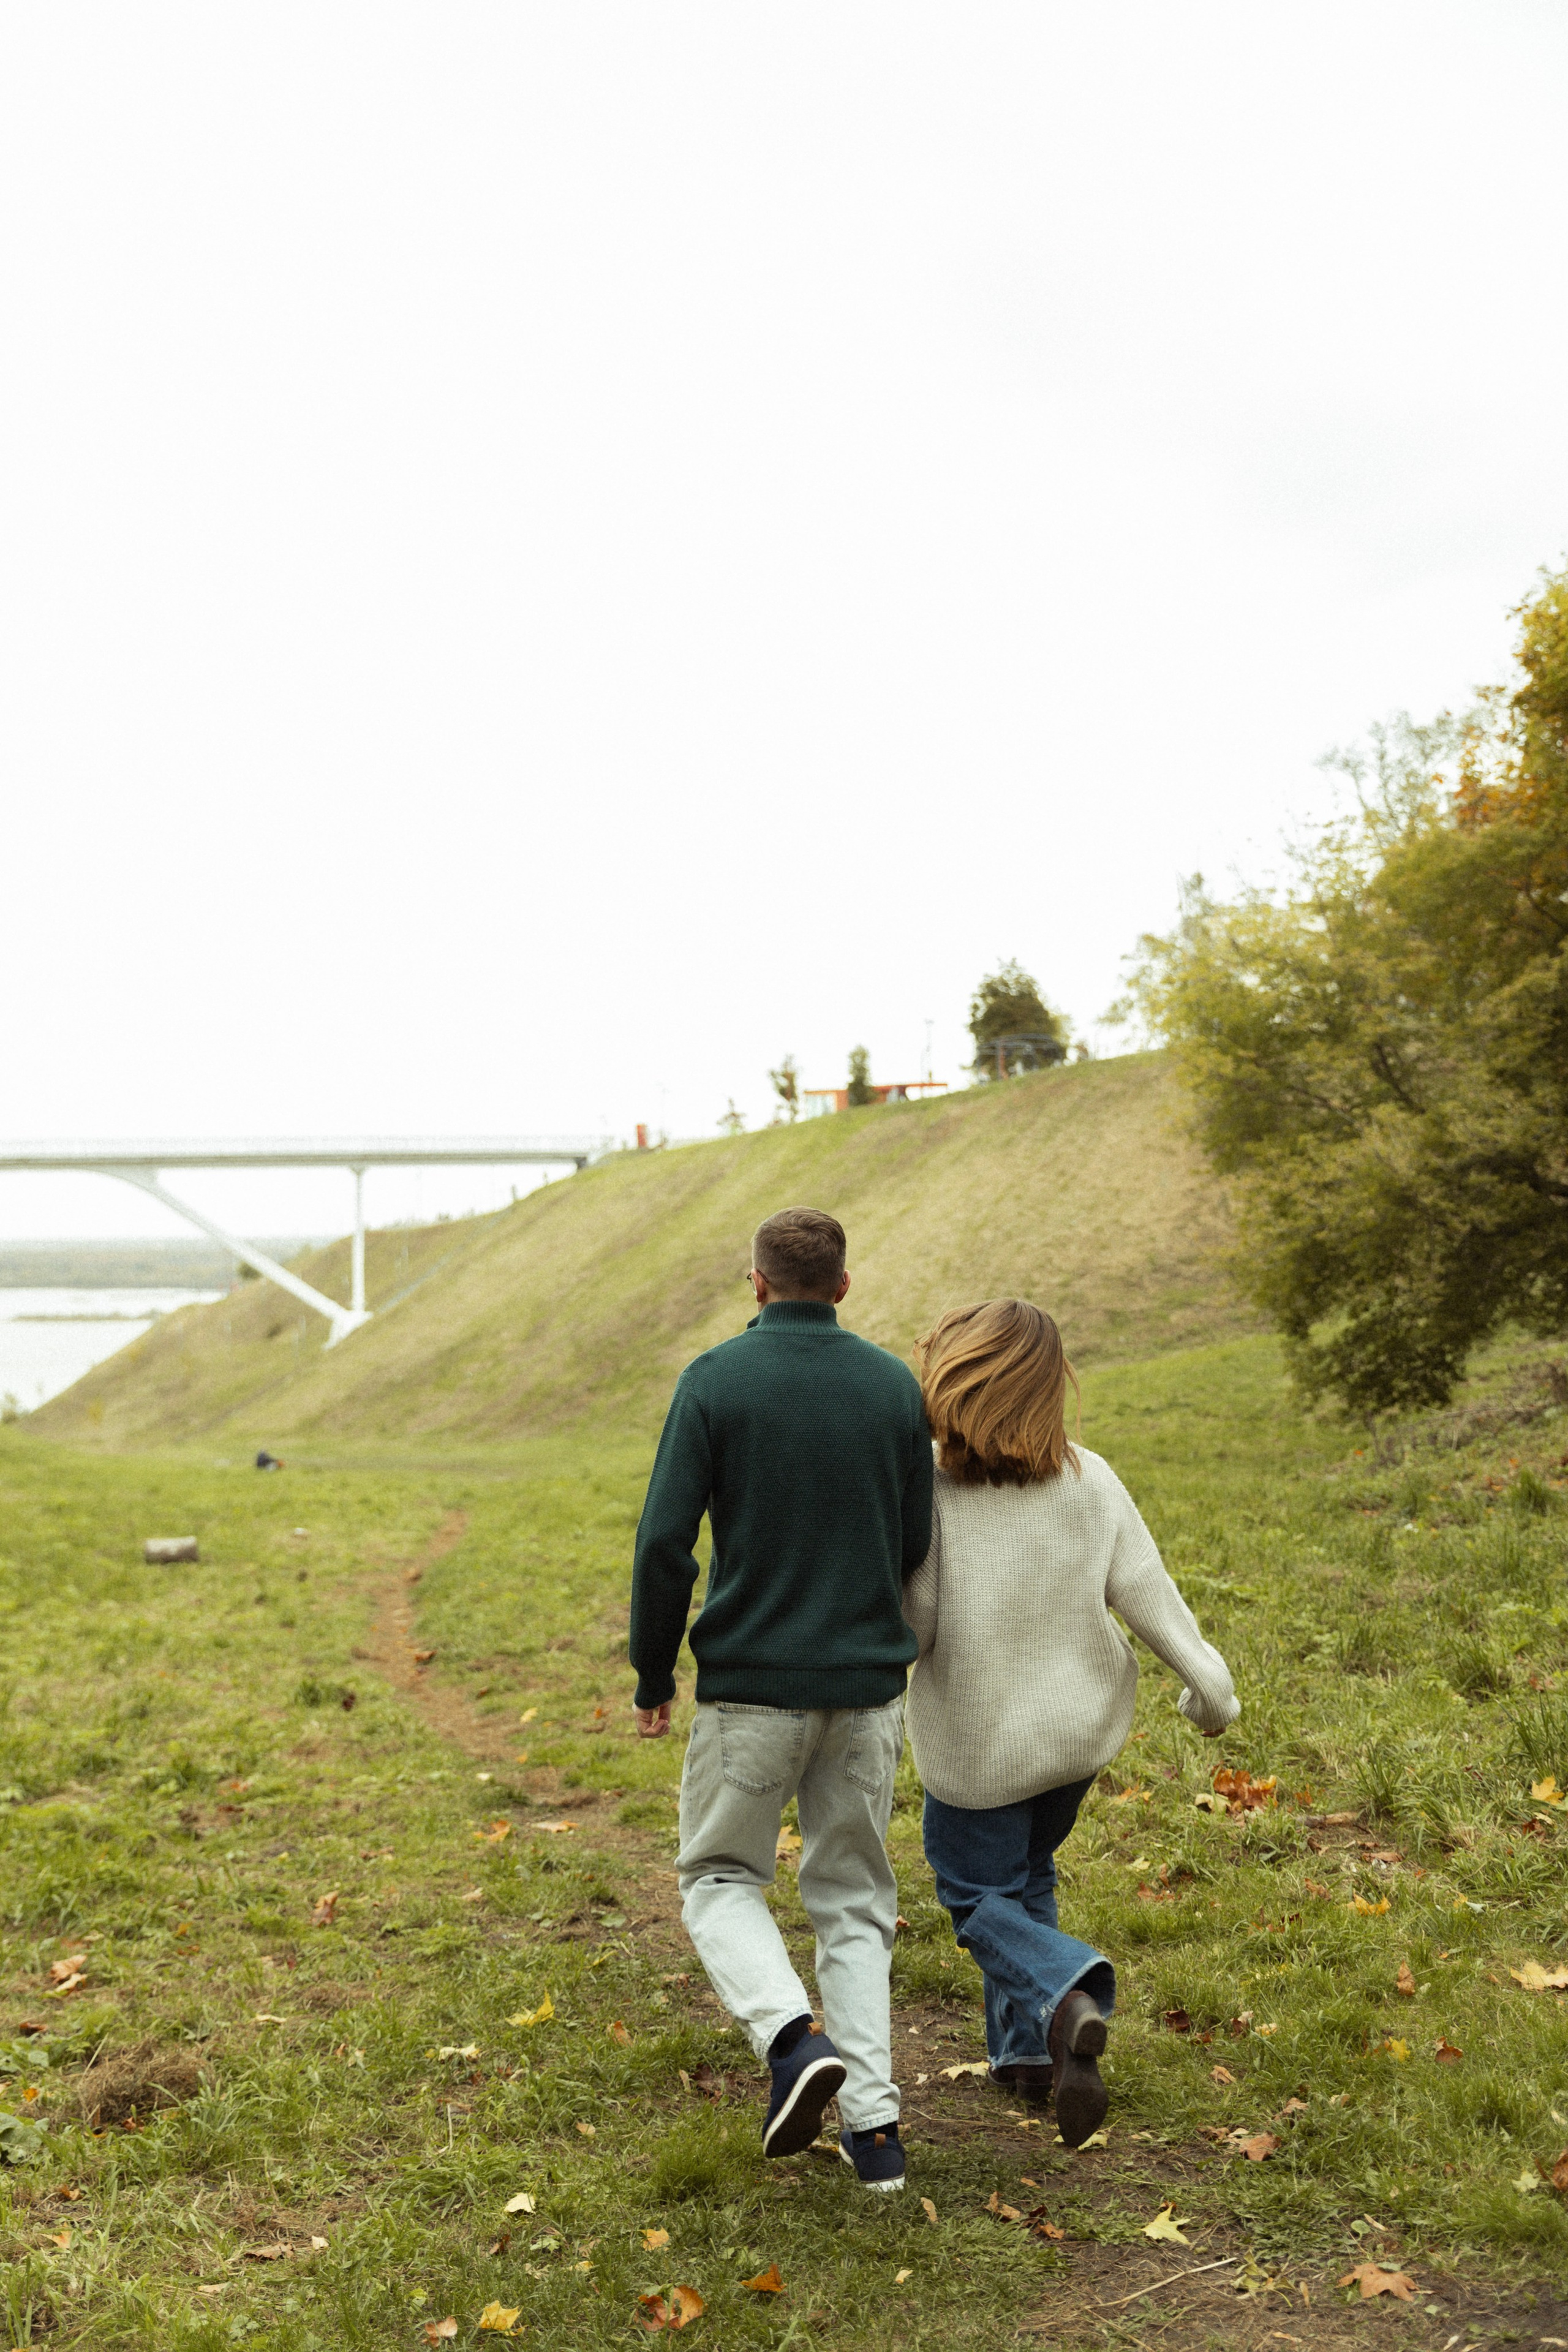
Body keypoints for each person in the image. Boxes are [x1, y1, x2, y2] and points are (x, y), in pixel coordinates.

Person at [629, 1207, 932, 2192]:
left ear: (754, 1283)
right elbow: (916, 1540)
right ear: (843, 1287)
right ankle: (877, 2139)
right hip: (867, 1690)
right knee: (853, 1903)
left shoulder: (714, 1382)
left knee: (720, 1878)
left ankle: (794, 2042)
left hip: (751, 1689)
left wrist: (651, 1676)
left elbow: (665, 1544)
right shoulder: (894, 1387)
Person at [903, 1299, 1238, 2146]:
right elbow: (1150, 1595)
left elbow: (916, 1629)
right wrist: (1211, 1690)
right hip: (1076, 1741)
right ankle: (1029, 2060)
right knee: (1029, 1876)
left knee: (978, 1899)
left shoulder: (933, 1497)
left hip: (981, 1752)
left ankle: (1068, 1988)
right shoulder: (1091, 1477)